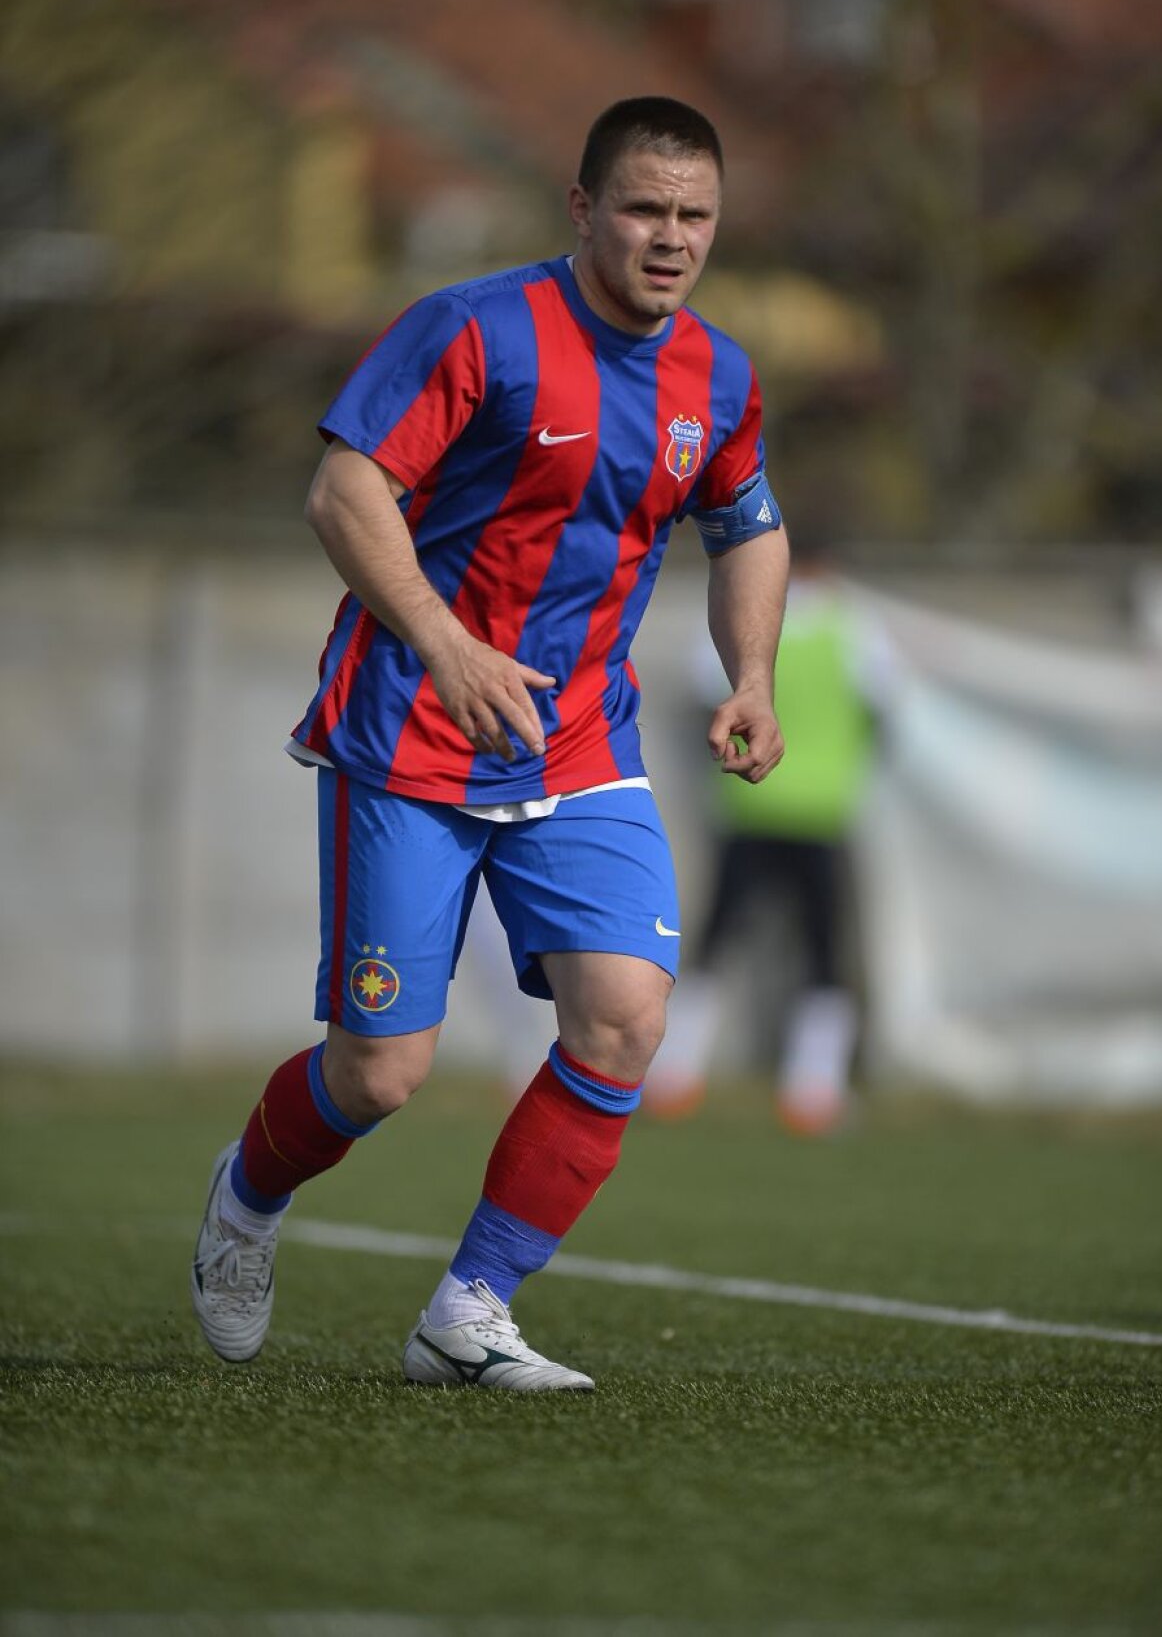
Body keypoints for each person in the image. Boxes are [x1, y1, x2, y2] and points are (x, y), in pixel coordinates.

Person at [190, 96, 789, 1391]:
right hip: (410, 735)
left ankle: (468, 1310)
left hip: (579, 744)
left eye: (695, 215)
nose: (671, 237)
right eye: (643, 208)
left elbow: (747, 526)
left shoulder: (721, 377)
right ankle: (246, 1200)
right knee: (379, 1074)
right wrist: (446, 644)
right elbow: (344, 489)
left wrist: (753, 675)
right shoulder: (474, 328)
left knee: (624, 1018)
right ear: (582, 209)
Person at [645, 533, 896, 1133]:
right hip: (822, 813)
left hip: (749, 806)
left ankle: (673, 1077)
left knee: (715, 941)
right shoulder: (855, 627)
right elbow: (885, 708)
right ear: (828, 564)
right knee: (824, 950)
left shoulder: (743, 624)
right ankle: (813, 1091)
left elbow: (704, 692)